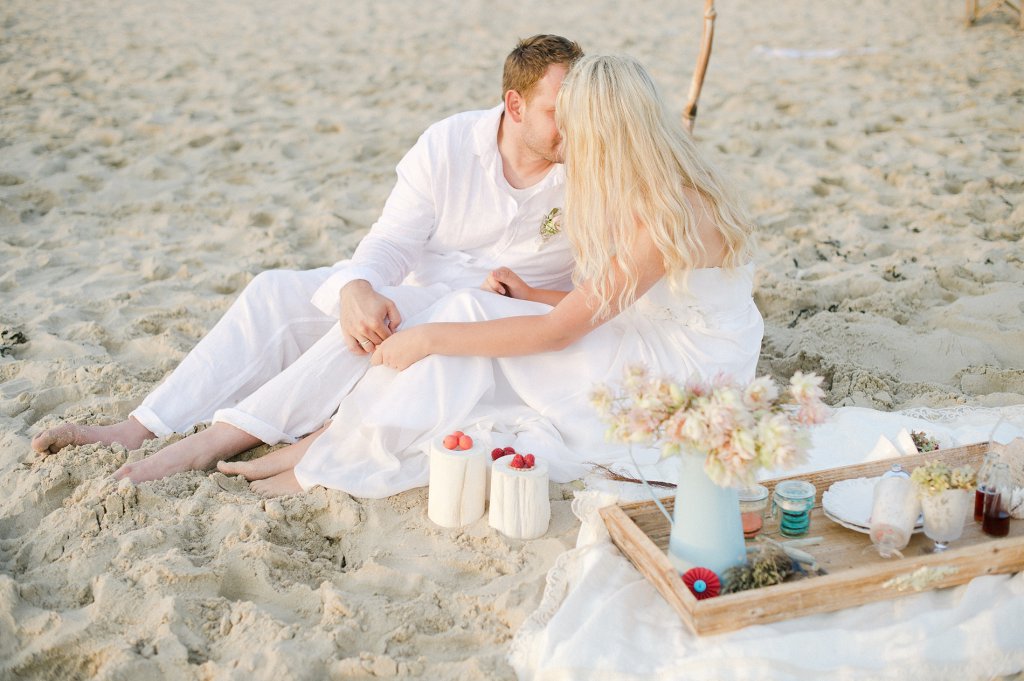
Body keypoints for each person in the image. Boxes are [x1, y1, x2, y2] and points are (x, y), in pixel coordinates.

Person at [30, 35, 585, 483]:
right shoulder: (448, 143)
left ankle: (217, 441)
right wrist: (357, 285)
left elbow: (596, 294)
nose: (576, 125)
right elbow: (393, 240)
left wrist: (527, 296)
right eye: (558, 112)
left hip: (502, 319)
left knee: (390, 322)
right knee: (277, 291)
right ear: (514, 105)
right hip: (423, 287)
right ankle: (142, 427)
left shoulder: (591, 166)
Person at [218, 54, 766, 497]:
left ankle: (333, 456)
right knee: (469, 311)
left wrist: (426, 339)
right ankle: (335, 440)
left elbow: (559, 332)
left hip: (685, 368)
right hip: (645, 334)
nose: (567, 141)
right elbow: (612, 300)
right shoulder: (652, 186)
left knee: (459, 332)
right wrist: (531, 293)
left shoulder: (670, 213)